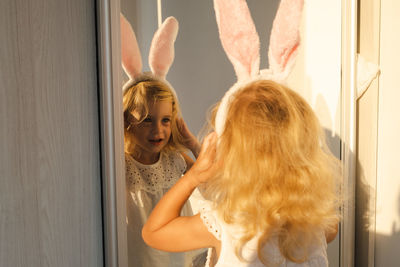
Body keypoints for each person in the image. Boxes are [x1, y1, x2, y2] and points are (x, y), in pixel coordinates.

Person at [142, 80, 342, 267]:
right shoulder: (316, 224)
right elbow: (330, 230)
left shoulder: (226, 223)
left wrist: (194, 176)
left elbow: (154, 232)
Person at [123, 75, 205, 267]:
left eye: (165, 120)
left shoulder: (174, 159)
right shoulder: (123, 164)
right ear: (127, 120)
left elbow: (210, 182)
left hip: (174, 255)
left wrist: (193, 145)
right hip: (141, 257)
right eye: (147, 120)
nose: (157, 129)